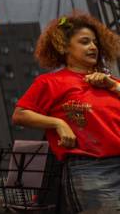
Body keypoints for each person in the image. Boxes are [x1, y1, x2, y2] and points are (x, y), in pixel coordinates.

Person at [12, 13, 120, 213]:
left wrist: (112, 85)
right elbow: (20, 114)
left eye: (95, 43)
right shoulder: (51, 82)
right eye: (85, 42)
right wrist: (58, 124)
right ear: (63, 47)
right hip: (91, 171)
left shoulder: (110, 82)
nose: (93, 47)